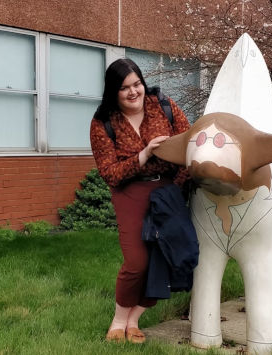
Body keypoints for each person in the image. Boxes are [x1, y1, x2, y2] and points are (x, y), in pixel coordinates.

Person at [89, 58, 190, 343]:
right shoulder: (103, 123)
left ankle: (134, 320)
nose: (134, 92)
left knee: (163, 259)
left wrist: (178, 188)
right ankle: (118, 320)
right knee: (137, 261)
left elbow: (190, 143)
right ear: (113, 92)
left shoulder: (164, 106)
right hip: (130, 192)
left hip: (169, 190)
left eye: (137, 84)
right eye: (125, 88)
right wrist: (143, 155)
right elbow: (109, 173)